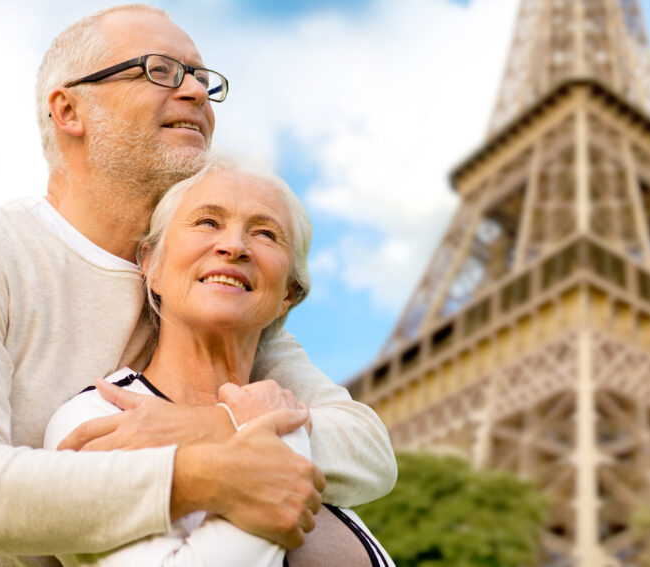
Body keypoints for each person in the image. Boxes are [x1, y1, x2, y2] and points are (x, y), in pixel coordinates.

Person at [0, 4, 395, 565]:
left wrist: (213, 426)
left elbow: (366, 449)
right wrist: (201, 473)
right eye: (160, 70)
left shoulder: (205, 293)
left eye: (201, 77)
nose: (195, 90)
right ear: (69, 109)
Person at [43, 156, 393, 566]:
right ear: (150, 264)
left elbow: (376, 456)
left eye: (265, 233)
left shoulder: (293, 417)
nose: (234, 246)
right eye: (207, 222)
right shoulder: (97, 416)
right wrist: (276, 434)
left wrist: (234, 425)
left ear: (288, 295)